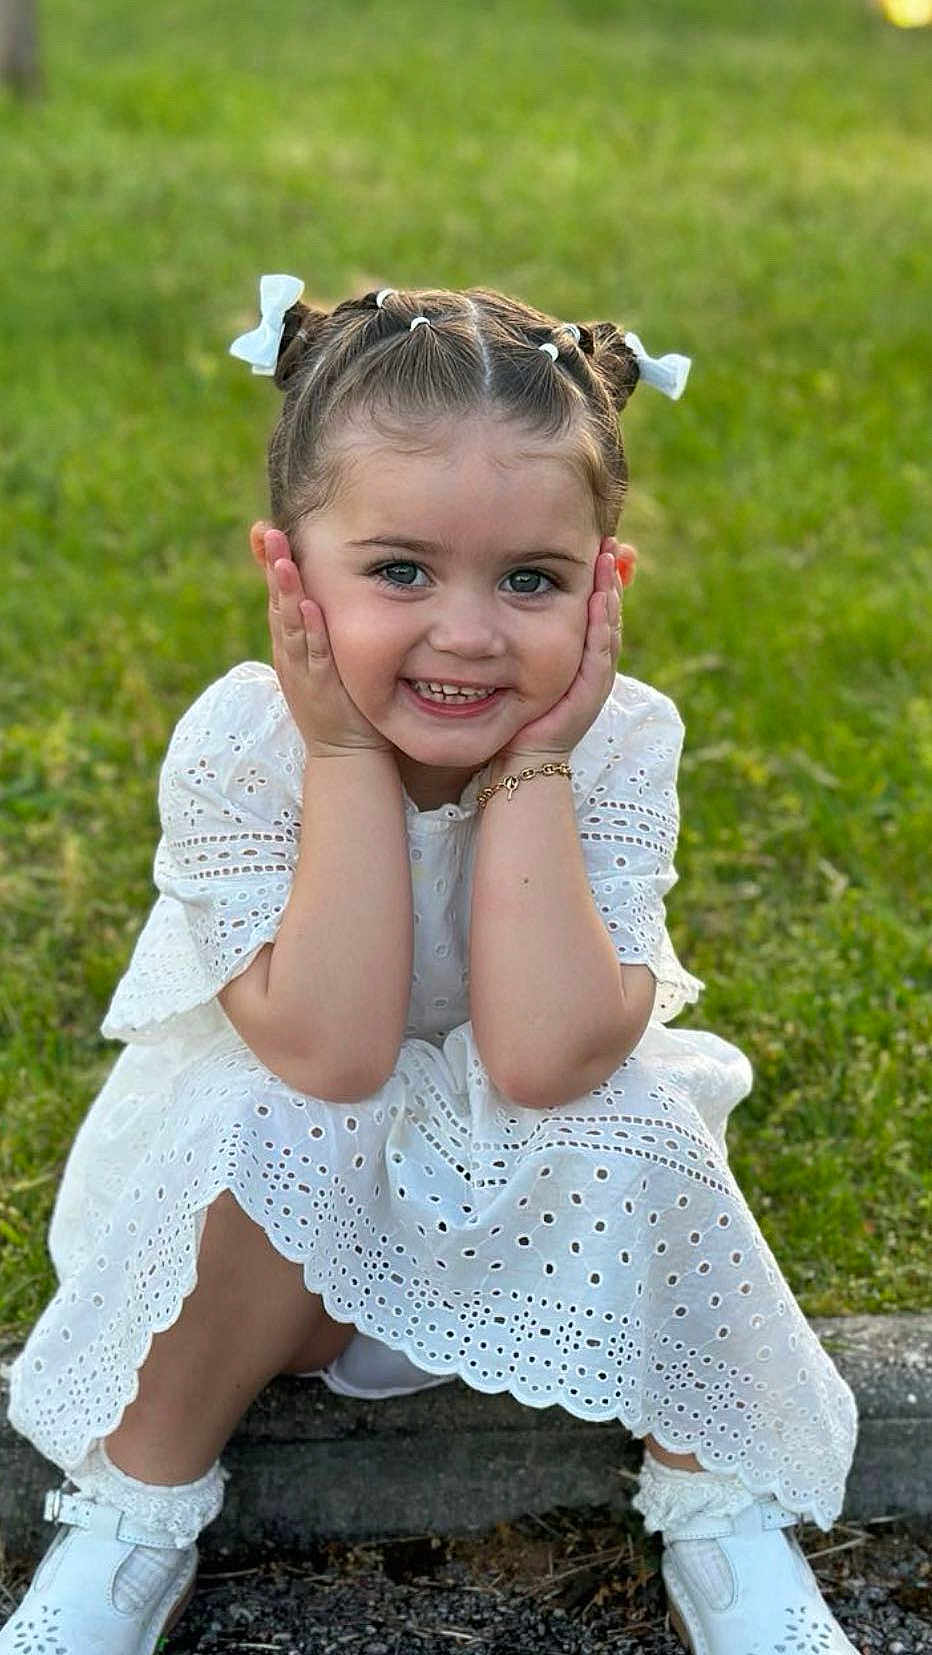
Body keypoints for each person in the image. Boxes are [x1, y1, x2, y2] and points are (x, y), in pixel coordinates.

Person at [2, 277, 860, 1655]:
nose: (468, 633)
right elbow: (333, 1053)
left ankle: (719, 1512)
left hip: (531, 1235)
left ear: (604, 583)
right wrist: (345, 753)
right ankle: (134, 1512)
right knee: (276, 1113)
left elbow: (546, 1057)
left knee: (638, 1116)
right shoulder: (246, 747)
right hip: (273, 1271)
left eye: (531, 581)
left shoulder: (619, 744)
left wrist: (535, 766)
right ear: (290, 572)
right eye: (401, 572)